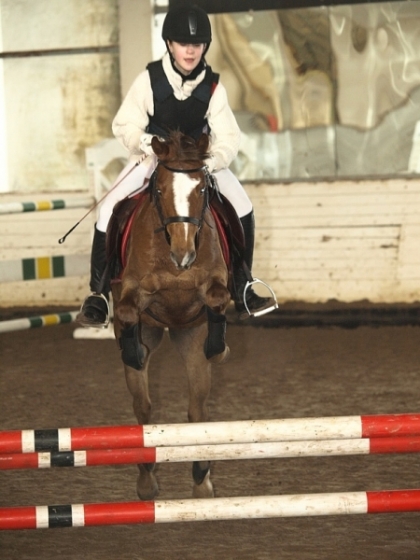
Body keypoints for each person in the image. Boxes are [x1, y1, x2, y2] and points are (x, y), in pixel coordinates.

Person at [78, 4, 276, 328]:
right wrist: (148, 145)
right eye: (183, 44)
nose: (190, 50)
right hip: (153, 158)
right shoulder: (149, 81)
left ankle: (243, 285)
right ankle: (98, 294)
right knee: (107, 208)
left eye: (196, 45)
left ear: (204, 47)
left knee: (243, 204)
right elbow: (124, 125)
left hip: (199, 164)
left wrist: (210, 162)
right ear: (169, 44)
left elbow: (228, 136)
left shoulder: (214, 87)